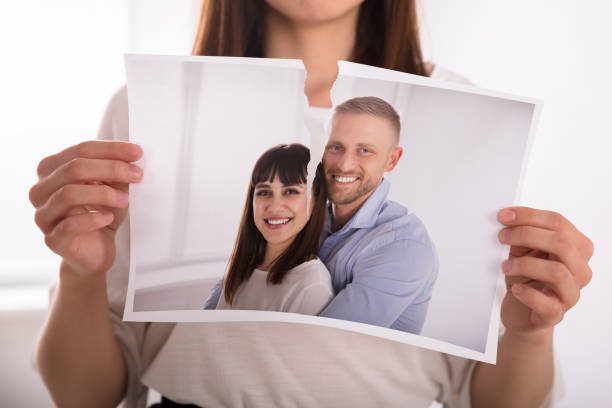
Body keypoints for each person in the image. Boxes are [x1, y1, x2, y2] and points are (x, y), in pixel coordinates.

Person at [29, 1, 594, 407]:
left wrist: (529, 332)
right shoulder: (147, 107)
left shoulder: (471, 120)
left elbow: (494, 398)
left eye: (290, 190)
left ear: (393, 159)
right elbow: (85, 396)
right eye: (265, 192)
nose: (344, 165)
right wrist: (80, 272)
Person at [205, 96, 438, 334]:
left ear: (392, 160)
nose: (345, 164)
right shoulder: (303, 213)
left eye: (365, 150)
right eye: (335, 147)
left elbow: (322, 340)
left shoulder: (404, 245)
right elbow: (217, 305)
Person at [203, 143, 333, 315]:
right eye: (264, 192)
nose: (274, 206)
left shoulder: (312, 286)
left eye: (291, 191)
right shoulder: (240, 271)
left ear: (316, 202)